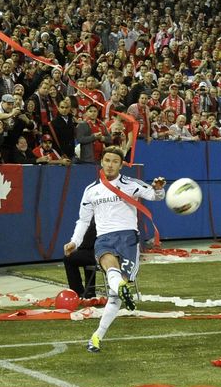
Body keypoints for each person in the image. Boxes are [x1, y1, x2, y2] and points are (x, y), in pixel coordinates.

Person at [63, 146, 166, 353]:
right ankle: (120, 287)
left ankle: (96, 336)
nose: (110, 164)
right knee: (109, 264)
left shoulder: (131, 185)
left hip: (128, 238)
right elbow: (83, 220)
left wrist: (158, 188)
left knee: (114, 297)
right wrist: (74, 241)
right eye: (107, 160)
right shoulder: (91, 190)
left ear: (121, 165)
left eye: (114, 161)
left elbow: (156, 197)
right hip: (103, 239)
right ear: (101, 162)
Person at [63, 218, 97, 298]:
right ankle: (90, 292)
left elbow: (88, 241)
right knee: (84, 255)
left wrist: (75, 245)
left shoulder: (95, 217)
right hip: (99, 252)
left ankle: (78, 293)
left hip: (100, 253)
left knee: (68, 259)